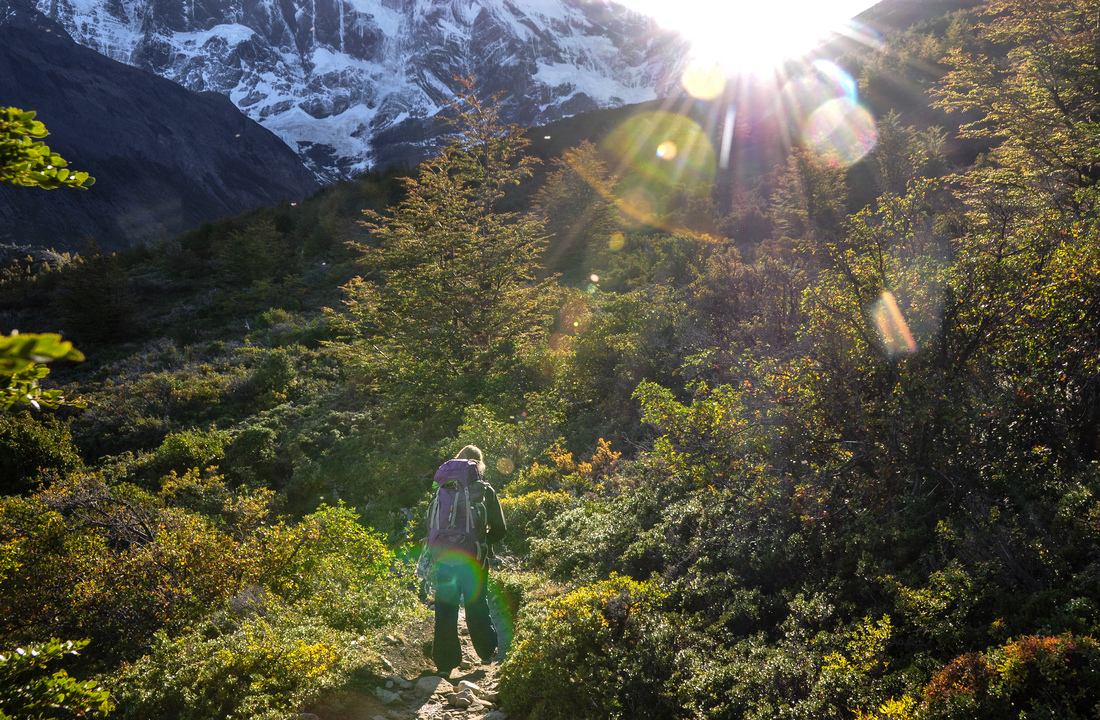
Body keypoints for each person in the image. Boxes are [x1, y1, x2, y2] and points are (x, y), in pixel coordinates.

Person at [428, 444, 506, 676]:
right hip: (474, 559)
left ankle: (444, 663)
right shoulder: (485, 490)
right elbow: (501, 529)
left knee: (445, 608)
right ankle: (486, 652)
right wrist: (484, 543)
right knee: (476, 604)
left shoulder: (442, 489)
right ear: (479, 465)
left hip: (444, 558)